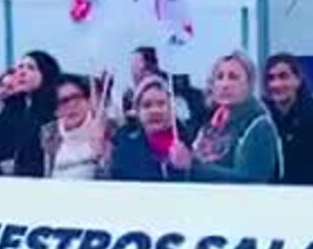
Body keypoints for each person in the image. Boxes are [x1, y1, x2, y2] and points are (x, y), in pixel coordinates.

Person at [168, 52, 281, 183]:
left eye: (233, 77)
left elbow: (251, 180)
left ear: (249, 84)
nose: (225, 84)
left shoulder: (258, 125)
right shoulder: (211, 123)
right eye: (219, 77)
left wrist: (193, 168)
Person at [263, 53, 313, 185]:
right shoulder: (262, 119)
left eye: (283, 77)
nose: (276, 84)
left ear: (298, 79)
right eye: (271, 78)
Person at [0, 49, 64, 176]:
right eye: (20, 67)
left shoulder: (56, 109)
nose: (22, 72)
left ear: (45, 73)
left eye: (31, 68)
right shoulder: (13, 106)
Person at [110, 75, 189, 182]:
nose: (155, 111)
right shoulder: (125, 147)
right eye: (147, 105)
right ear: (138, 112)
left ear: (171, 109)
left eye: (161, 104)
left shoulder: (188, 140)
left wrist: (187, 169)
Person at [41, 74, 111, 180]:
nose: (72, 105)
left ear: (88, 101)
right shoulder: (49, 135)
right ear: (55, 110)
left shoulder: (108, 130)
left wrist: (103, 154)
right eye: (64, 101)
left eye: (77, 98)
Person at [127, 45, 208, 130]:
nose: (134, 76)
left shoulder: (175, 93)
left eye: (136, 70)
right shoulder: (131, 98)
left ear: (150, 69)